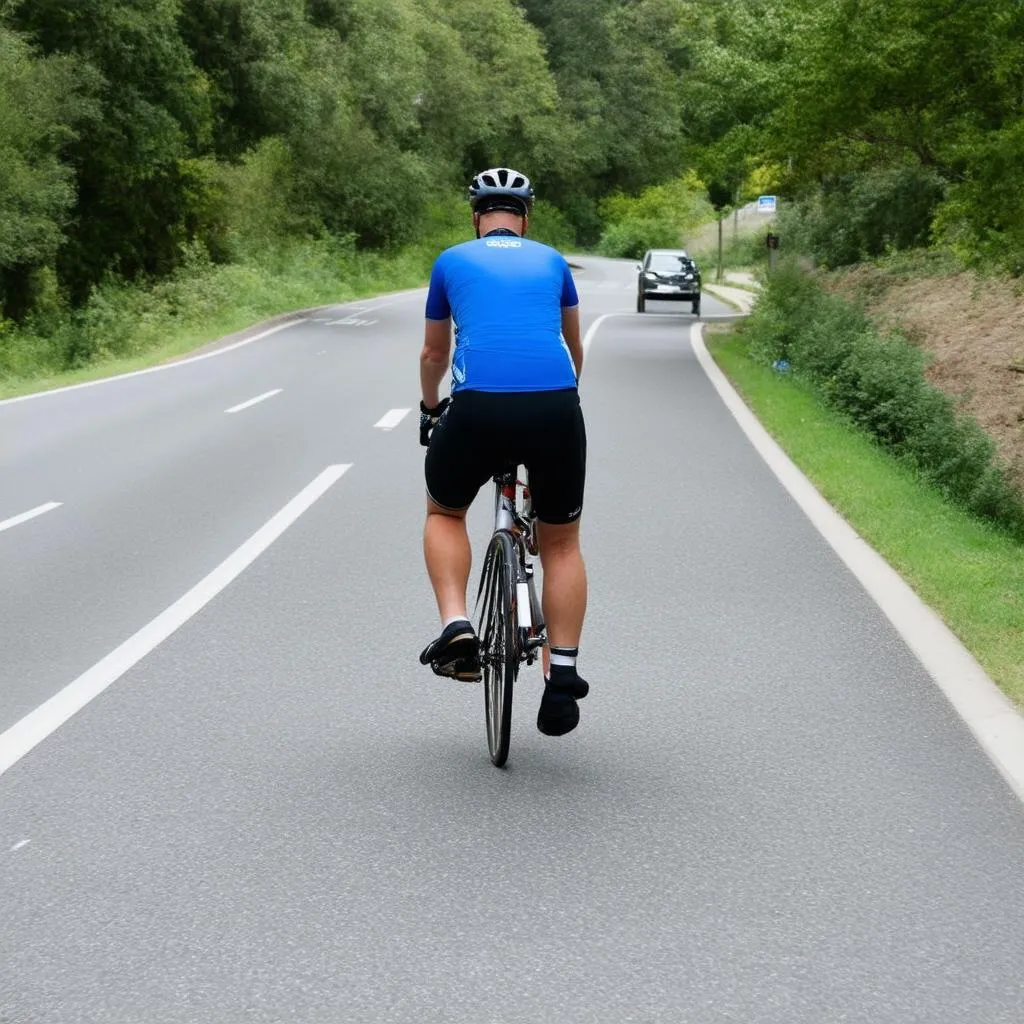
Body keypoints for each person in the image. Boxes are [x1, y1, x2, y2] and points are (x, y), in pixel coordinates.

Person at [417, 167, 590, 737]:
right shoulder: (553, 261)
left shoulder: (451, 262)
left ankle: (457, 625)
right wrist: (560, 411)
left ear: (476, 217)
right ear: (525, 219)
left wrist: (429, 406)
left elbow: (432, 355)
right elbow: (573, 348)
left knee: (445, 511)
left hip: (478, 408)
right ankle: (561, 675)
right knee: (561, 543)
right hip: (554, 406)